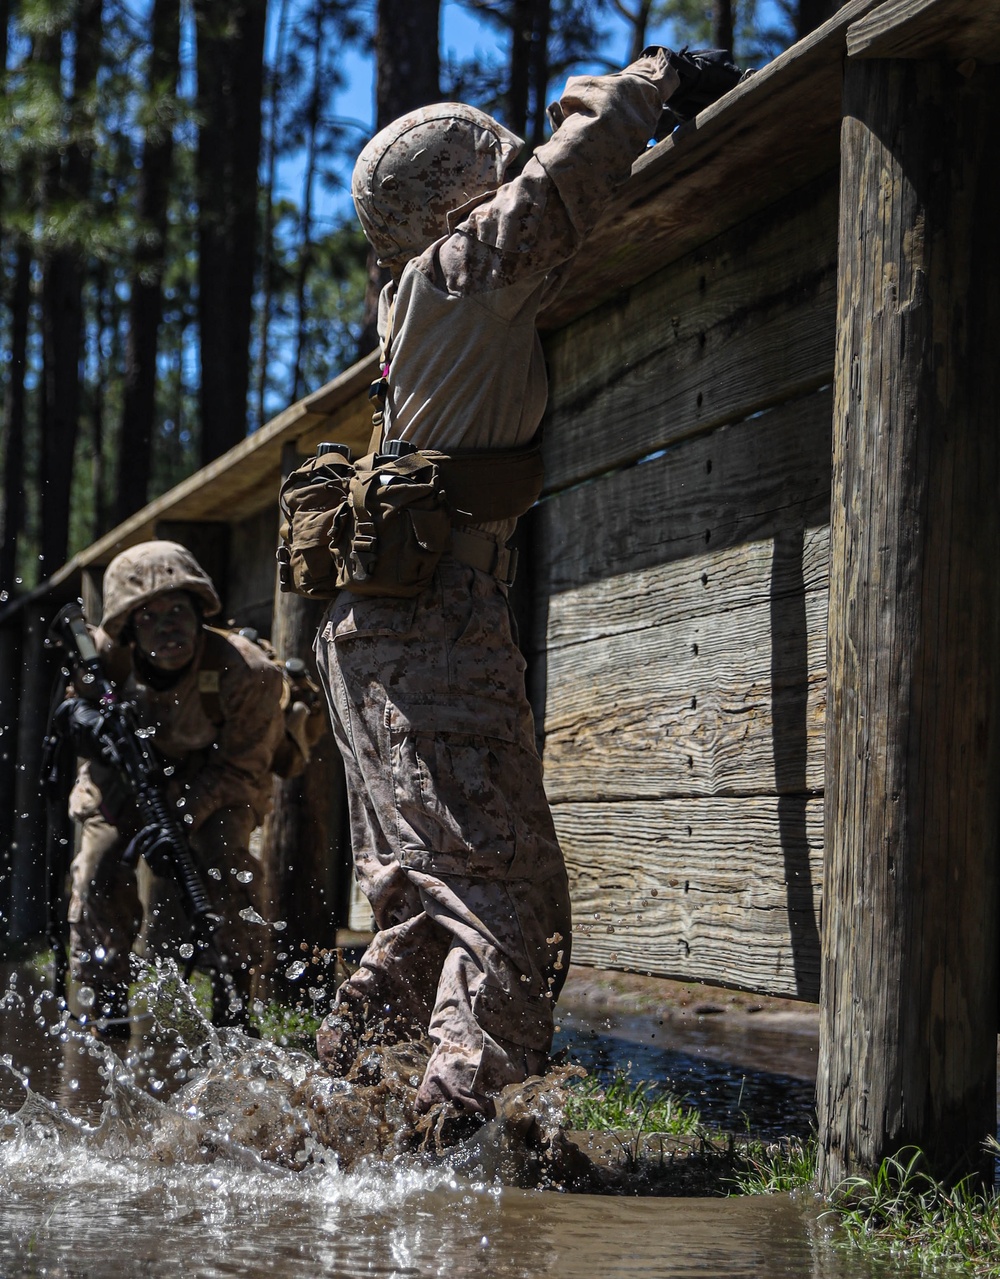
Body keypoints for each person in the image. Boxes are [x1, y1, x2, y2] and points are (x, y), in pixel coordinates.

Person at [313, 50, 684, 1120]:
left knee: (427, 906)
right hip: (433, 622)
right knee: (510, 906)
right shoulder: (463, 273)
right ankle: (455, 1151)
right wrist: (649, 83)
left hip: (381, 628)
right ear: (458, 195)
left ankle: (327, 1112)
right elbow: (559, 189)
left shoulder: (410, 298)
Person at [56, 540, 285, 1032]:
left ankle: (235, 1007)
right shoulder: (104, 661)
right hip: (121, 776)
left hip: (213, 779)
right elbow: (71, 712)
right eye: (148, 616)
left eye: (178, 610)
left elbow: (243, 770)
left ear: (199, 611)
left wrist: (180, 818)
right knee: (100, 867)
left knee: (227, 863)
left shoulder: (247, 672)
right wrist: (90, 724)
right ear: (128, 629)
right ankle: (106, 1006)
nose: (167, 626)